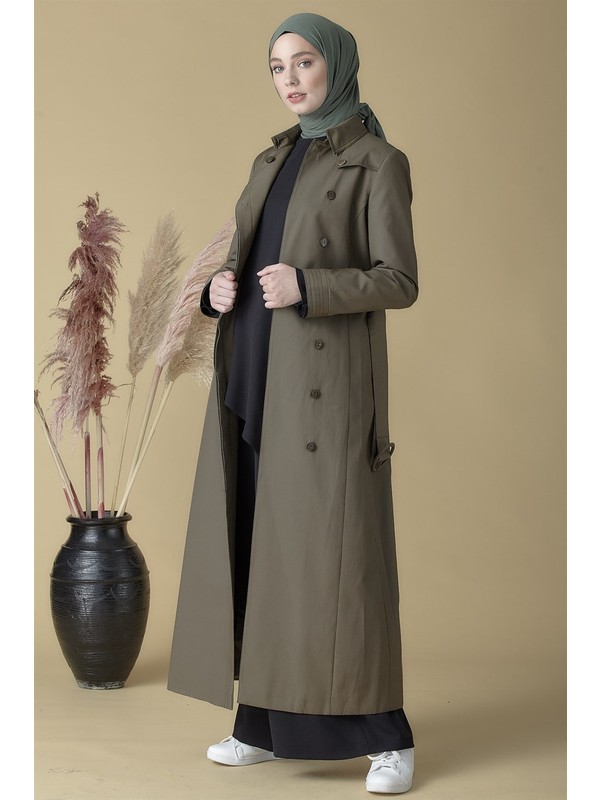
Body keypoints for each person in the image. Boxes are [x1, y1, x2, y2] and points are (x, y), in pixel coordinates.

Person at [168, 12, 419, 795]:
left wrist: (310, 286)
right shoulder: (271, 158)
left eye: (304, 62)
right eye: (277, 67)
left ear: (336, 64)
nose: (290, 80)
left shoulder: (378, 161)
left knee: (338, 565)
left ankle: (388, 740)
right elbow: (245, 257)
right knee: (263, 553)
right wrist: (216, 293)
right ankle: (260, 726)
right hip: (255, 375)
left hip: (322, 392)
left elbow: (399, 280)